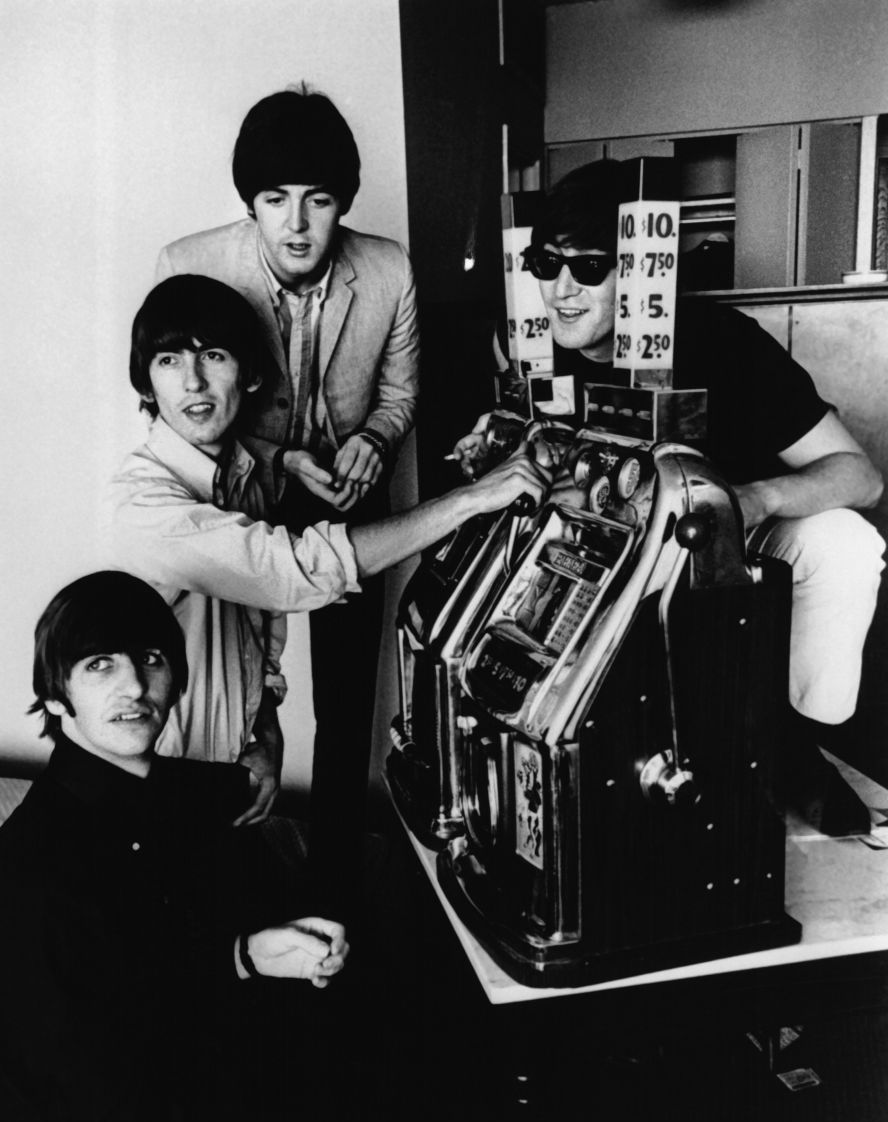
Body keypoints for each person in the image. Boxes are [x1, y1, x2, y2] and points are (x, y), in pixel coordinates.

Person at [0, 570, 440, 1122]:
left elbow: (151, 958)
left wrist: (248, 951)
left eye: (151, 659)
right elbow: (105, 1111)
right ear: (53, 695)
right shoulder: (33, 871)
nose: (134, 685)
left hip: (190, 1116)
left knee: (418, 1109)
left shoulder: (168, 793)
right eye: (99, 665)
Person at [456, 160, 885, 836]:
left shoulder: (725, 343)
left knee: (847, 543)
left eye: (590, 268)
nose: (562, 290)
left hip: (713, 540)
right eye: (547, 264)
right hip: (582, 560)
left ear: (639, 273)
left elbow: (860, 477)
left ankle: (797, 738)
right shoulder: (525, 349)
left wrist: (753, 497)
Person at [107, 275, 548, 892]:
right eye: (169, 360)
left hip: (222, 789)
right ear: (146, 383)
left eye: (213, 355)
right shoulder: (145, 503)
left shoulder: (240, 471)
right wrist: (470, 501)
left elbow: (256, 625)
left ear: (251, 375)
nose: (193, 382)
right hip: (147, 796)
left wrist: (261, 730)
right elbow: (293, 573)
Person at [155, 84, 418, 894]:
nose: (298, 225)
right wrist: (280, 463)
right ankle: (213, 866)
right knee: (221, 685)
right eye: (275, 200)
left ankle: (333, 877)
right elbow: (180, 403)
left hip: (348, 493)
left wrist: (373, 441)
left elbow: (400, 394)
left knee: (344, 707)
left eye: (319, 201)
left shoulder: (388, 269)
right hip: (234, 491)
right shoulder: (188, 265)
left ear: (343, 204)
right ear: (250, 203)